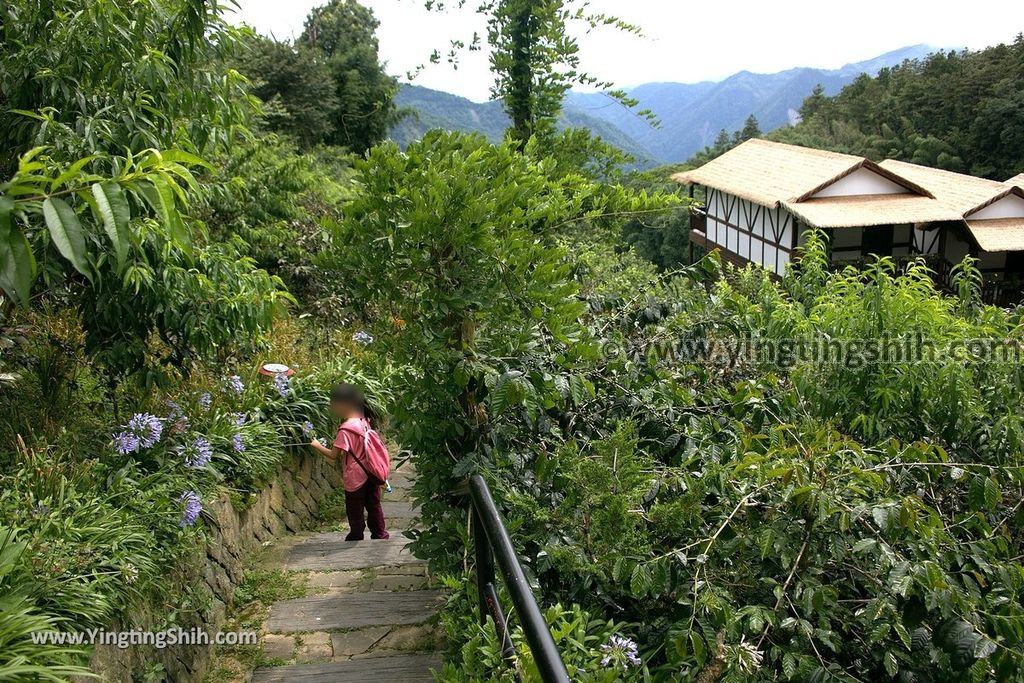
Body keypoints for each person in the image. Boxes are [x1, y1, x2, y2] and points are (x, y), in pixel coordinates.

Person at [310, 384, 391, 541]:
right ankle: (380, 533)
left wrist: (316, 445)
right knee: (374, 505)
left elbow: (333, 455)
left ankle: (356, 534)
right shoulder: (364, 419)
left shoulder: (346, 429)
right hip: (371, 470)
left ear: (344, 404)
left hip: (355, 476)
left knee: (354, 507)